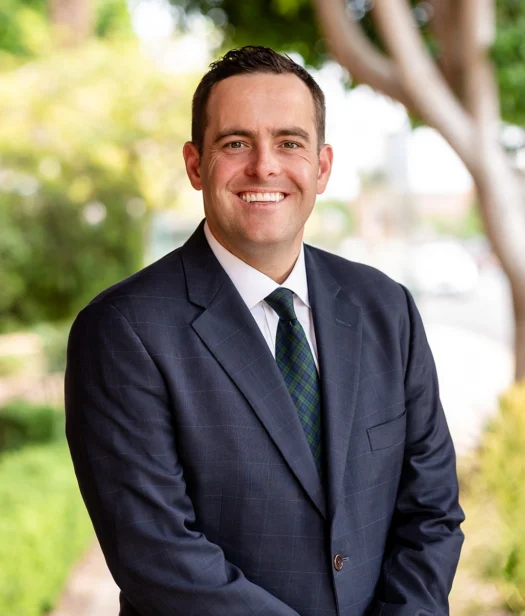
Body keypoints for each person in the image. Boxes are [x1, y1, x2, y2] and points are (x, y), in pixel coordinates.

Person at [65, 46, 464, 616]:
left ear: (322, 167)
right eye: (235, 143)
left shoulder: (386, 308)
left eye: (289, 142)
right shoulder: (122, 331)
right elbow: (158, 556)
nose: (264, 167)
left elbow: (431, 513)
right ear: (195, 164)